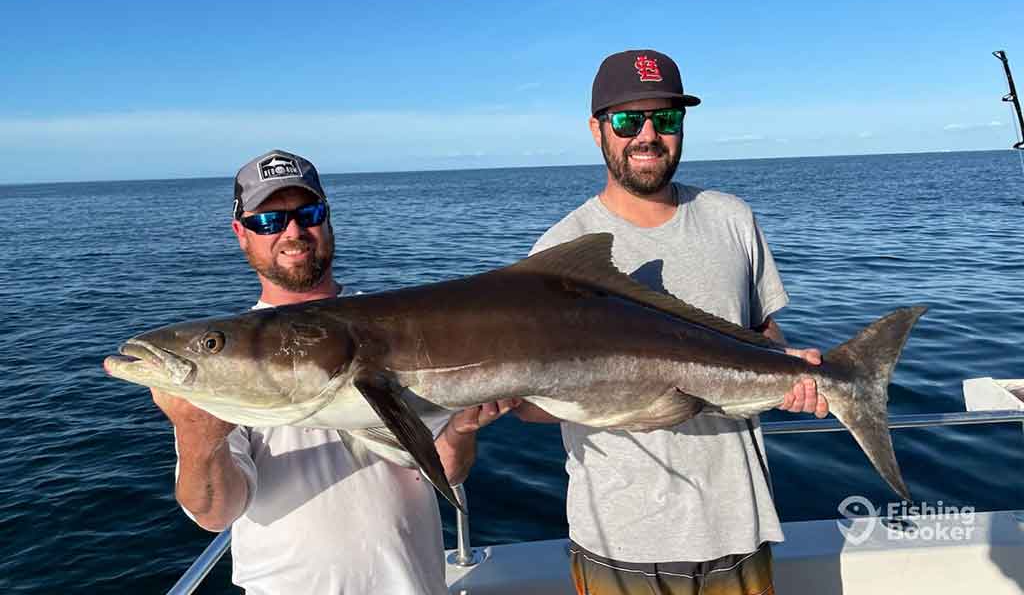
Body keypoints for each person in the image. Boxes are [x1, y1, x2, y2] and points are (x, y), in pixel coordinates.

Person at [517, 51, 829, 595]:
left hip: (739, 522)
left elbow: (762, 336)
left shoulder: (732, 218)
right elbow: (525, 401)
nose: (647, 135)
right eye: (626, 120)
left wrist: (787, 372)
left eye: (665, 120)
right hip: (620, 537)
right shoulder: (557, 252)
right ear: (597, 130)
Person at [151, 149, 517, 594]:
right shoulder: (223, 358)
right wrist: (198, 439)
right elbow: (214, 514)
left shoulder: (401, 329)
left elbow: (446, 469)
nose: (293, 231)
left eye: (308, 212)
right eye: (267, 221)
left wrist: (462, 429)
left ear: (327, 219)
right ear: (240, 234)